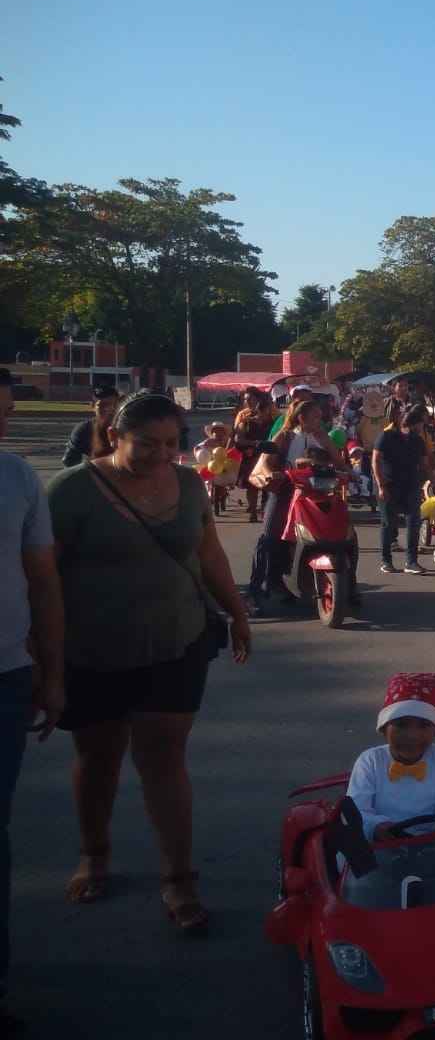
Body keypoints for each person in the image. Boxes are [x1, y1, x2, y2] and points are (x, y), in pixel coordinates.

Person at [48, 390, 251, 933]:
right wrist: (41, 657)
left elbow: (207, 552)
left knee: (164, 754)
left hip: (177, 641)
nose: (162, 454)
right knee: (99, 753)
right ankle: (94, 853)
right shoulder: (70, 492)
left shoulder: (187, 483)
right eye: (146, 444)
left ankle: (178, 879)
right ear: (114, 437)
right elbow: (43, 578)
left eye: (171, 443)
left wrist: (237, 612)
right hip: (93, 650)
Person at [0, 368, 65, 1036]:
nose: (2, 424)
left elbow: (42, 579)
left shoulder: (17, 477)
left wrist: (50, 669)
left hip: (6, 674)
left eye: (8, 413)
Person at [347, 673, 435, 842]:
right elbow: (356, 811)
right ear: (383, 729)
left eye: (424, 726)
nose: (412, 736)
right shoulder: (370, 761)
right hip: (382, 846)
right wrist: (375, 826)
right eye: (400, 725)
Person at [374, 405, 432, 575]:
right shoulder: (386, 437)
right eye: (414, 429)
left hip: (411, 486)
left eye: (420, 430)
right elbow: (376, 461)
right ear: (404, 426)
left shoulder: (417, 441)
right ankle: (386, 560)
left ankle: (412, 561)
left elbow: (425, 465)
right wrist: (380, 485)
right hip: (389, 485)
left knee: (414, 522)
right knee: (388, 523)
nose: (417, 433)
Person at [231, 387, 275, 523]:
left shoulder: (272, 421)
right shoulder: (246, 421)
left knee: (268, 483)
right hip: (251, 456)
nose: (247, 402)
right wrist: (255, 443)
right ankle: (252, 511)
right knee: (252, 485)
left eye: (250, 399)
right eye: (245, 400)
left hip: (268, 455)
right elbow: (238, 439)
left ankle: (266, 510)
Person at [61, 384, 121, 468]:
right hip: (94, 473)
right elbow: (70, 460)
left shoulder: (127, 427)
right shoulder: (84, 429)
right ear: (93, 406)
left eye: (111, 405)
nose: (107, 409)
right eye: (102, 405)